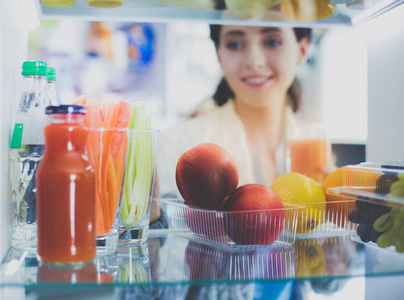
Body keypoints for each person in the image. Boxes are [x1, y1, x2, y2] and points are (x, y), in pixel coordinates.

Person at [158, 24, 312, 198]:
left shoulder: (314, 146)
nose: (254, 62)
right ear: (219, 54)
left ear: (302, 50)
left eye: (273, 42)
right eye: (235, 45)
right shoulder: (175, 146)